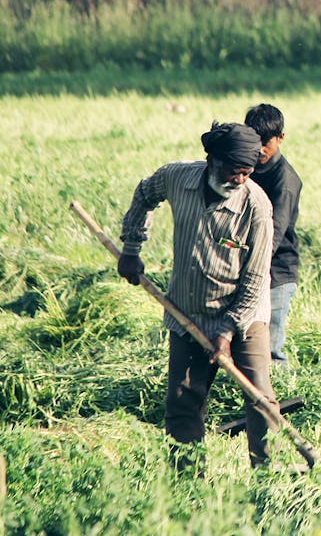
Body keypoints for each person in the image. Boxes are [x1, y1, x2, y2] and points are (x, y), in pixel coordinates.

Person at [118, 121, 278, 470]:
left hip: (244, 316)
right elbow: (145, 194)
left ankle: (268, 474)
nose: (239, 180)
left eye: (247, 173)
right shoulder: (177, 177)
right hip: (187, 313)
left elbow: (255, 280)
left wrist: (226, 332)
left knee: (260, 398)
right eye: (234, 171)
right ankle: (188, 480)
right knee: (182, 401)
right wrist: (131, 247)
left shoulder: (257, 207)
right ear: (212, 160)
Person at [244, 103, 302, 366]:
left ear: (280, 138)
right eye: (255, 141)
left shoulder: (286, 181)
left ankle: (275, 402)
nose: (261, 149)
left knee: (270, 349)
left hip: (276, 272)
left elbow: (274, 235)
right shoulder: (244, 169)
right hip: (247, 264)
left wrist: (249, 265)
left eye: (266, 142)